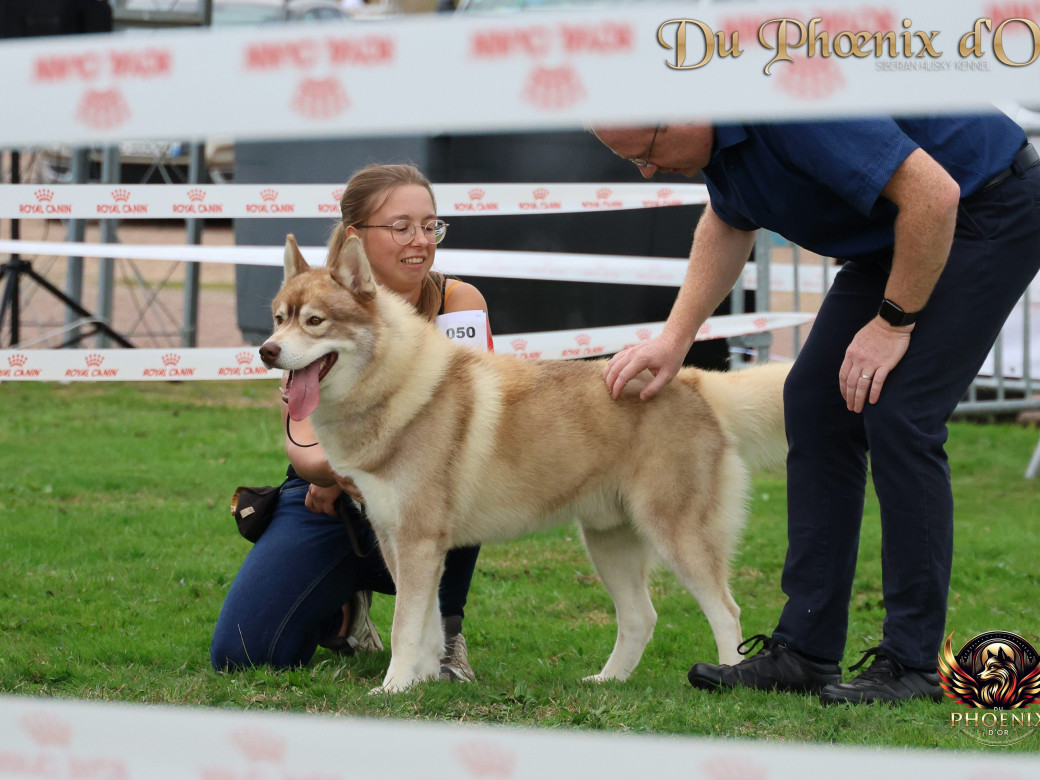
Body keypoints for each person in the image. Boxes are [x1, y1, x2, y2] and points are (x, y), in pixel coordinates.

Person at [593, 114, 1040, 704]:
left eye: (646, 150)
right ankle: (805, 652)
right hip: (902, 228)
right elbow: (729, 221)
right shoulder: (715, 145)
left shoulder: (791, 114)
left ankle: (914, 663)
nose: (648, 169)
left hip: (984, 206)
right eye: (631, 163)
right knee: (814, 403)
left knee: (901, 413)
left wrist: (893, 322)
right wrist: (674, 339)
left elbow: (935, 195)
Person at [211, 163, 488, 682]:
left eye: (431, 226)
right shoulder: (308, 304)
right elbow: (304, 449)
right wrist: (341, 477)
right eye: (401, 226)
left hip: (416, 484)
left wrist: (357, 474)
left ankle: (447, 638)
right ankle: (345, 607)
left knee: (458, 473)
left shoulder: (458, 301)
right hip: (326, 494)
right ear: (356, 239)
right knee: (242, 653)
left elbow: (466, 430)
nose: (420, 241)